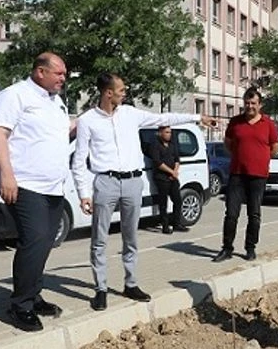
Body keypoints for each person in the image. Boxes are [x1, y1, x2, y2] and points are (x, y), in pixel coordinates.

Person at [72, 73, 214, 310]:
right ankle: (101, 288)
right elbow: (78, 160)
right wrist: (83, 193)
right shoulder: (87, 121)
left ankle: (131, 283)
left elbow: (164, 117)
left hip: (132, 182)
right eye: (121, 90)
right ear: (108, 93)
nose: (124, 93)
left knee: (131, 237)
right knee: (99, 239)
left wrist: (196, 117)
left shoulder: (130, 114)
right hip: (105, 182)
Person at [0, 52, 74, 332]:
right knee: (34, 240)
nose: (64, 78)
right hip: (26, 184)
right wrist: (7, 176)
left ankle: (34, 295)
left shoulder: (55, 101)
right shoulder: (14, 95)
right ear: (40, 72)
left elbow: (60, 134)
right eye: (59, 73)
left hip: (53, 187)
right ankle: (20, 305)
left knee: (45, 243)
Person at [213, 88, 278, 262]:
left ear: (260, 105)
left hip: (258, 176)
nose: (250, 107)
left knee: (254, 214)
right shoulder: (235, 122)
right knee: (231, 213)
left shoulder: (268, 124)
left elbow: (275, 148)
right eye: (247, 103)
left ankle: (250, 248)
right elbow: (228, 144)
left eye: (253, 104)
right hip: (237, 174)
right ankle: (227, 248)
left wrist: (260, 158)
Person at [145, 124, 186, 234]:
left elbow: (177, 159)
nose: (169, 134)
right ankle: (165, 225)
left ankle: (177, 223)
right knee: (163, 203)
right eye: (167, 132)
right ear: (160, 133)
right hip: (161, 178)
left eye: (170, 132)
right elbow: (158, 163)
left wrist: (175, 171)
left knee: (177, 200)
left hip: (173, 178)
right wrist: (171, 171)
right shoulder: (155, 145)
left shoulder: (172, 145)